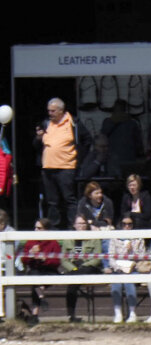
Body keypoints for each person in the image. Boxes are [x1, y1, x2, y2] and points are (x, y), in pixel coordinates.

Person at [38, 98, 90, 228]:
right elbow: (36, 146)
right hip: (48, 167)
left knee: (69, 199)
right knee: (52, 201)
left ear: (61, 111)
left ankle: (72, 226)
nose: (50, 113)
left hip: (67, 167)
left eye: (53, 111)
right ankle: (53, 228)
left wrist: (78, 159)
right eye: (49, 111)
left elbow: (87, 140)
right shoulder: (46, 123)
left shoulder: (73, 123)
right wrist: (38, 138)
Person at [59, 215, 103, 322]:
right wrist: (74, 269)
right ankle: (71, 315)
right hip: (74, 269)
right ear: (74, 225)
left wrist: (83, 266)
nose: (81, 226)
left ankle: (72, 315)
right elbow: (64, 260)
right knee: (72, 284)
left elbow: (97, 258)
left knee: (75, 279)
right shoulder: (67, 240)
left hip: (89, 267)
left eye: (83, 223)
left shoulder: (94, 239)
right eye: (79, 223)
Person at [20, 218, 61, 326]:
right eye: (35, 228)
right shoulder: (31, 242)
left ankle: (35, 315)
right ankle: (38, 307)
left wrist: (44, 259)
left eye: (39, 228)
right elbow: (24, 260)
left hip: (49, 270)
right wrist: (30, 254)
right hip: (35, 270)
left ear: (46, 230)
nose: (35, 230)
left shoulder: (53, 242)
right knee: (35, 279)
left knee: (37, 285)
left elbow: (56, 262)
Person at [106, 215, 145, 323]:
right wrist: (118, 268)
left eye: (129, 224)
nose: (127, 226)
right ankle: (118, 312)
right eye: (124, 224)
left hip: (133, 268)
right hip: (118, 268)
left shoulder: (138, 238)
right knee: (116, 284)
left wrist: (132, 250)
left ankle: (132, 312)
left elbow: (141, 257)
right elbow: (111, 257)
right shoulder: (115, 237)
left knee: (129, 282)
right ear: (120, 225)